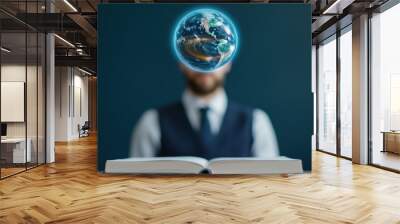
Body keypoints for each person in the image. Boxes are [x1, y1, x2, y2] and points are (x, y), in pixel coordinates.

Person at [130, 62, 279, 159]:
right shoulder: (151, 121)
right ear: (180, 63)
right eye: (193, 52)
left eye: (216, 53)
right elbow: (136, 184)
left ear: (229, 63)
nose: (206, 62)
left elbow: (269, 185)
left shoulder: (257, 121)